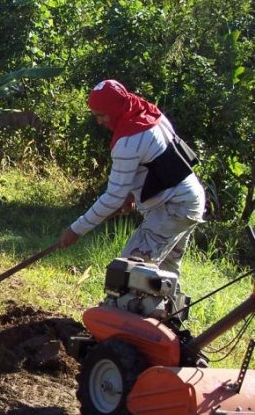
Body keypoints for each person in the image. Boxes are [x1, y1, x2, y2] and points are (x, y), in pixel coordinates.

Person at [54, 80, 205, 300]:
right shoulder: (148, 113)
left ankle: (121, 329)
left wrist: (76, 229)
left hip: (173, 207)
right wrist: (133, 193)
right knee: (165, 273)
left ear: (115, 108)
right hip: (189, 199)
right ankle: (168, 324)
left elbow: (112, 198)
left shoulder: (129, 140)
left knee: (127, 273)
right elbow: (161, 163)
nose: (99, 121)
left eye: (102, 115)